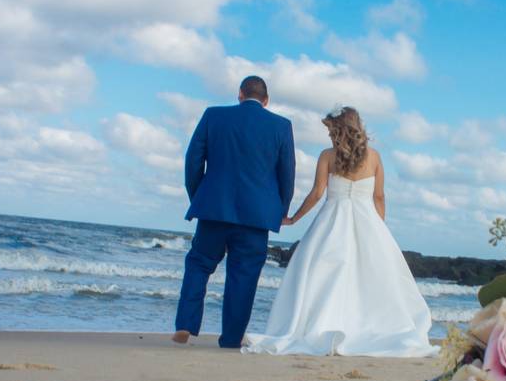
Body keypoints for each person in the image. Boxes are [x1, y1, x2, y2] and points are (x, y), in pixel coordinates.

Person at [243, 106, 437, 357]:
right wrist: (380, 230)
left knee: (321, 273)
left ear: (339, 129)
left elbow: (316, 193)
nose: (328, 135)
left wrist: (294, 218)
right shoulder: (375, 157)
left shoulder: (327, 156)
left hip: (332, 222)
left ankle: (320, 324)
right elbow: (379, 197)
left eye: (331, 129)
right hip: (368, 221)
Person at [172, 76, 295, 349]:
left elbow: (193, 161)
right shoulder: (281, 126)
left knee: (199, 264)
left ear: (240, 94)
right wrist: (280, 211)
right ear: (266, 100)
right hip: (256, 217)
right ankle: (230, 339)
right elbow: (286, 174)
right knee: (244, 276)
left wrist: (200, 198)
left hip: (214, 209)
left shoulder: (213, 116)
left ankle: (186, 324)